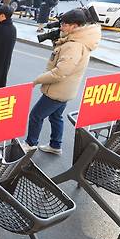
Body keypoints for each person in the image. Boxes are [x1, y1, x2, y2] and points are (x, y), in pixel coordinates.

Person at [21, 9, 101, 155]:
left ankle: (30, 143)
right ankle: (55, 145)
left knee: (36, 116)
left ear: (75, 26)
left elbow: (60, 72)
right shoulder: (79, 40)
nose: (61, 26)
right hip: (66, 90)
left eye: (65, 24)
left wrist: (37, 80)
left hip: (57, 91)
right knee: (56, 116)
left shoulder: (74, 46)